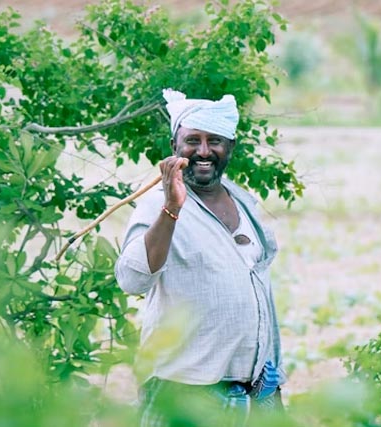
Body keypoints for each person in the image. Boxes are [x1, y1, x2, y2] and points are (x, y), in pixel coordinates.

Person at [115, 89, 286, 427]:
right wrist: (172, 208)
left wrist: (272, 382)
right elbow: (132, 278)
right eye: (193, 140)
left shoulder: (245, 203)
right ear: (175, 147)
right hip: (186, 393)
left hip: (254, 392)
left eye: (215, 141)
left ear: (230, 148)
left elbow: (260, 296)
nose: (204, 151)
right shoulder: (157, 205)